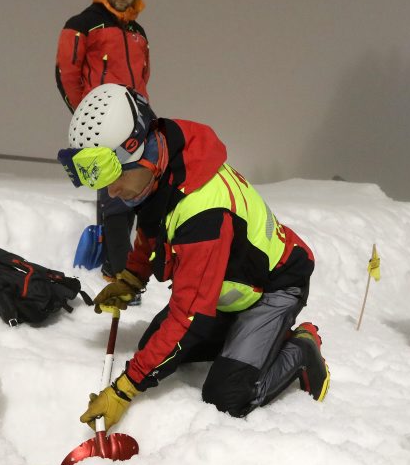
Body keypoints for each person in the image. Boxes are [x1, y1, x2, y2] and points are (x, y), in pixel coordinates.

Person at [57, 84, 330, 428]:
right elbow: (152, 230)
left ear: (140, 151)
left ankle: (301, 348)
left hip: (273, 288)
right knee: (154, 346)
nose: (110, 191)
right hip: (227, 289)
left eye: (115, 177)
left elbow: (188, 318)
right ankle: (248, 342)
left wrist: (124, 390)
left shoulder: (204, 213)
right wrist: (131, 277)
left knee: (227, 395)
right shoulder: (163, 169)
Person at [55, 0, 151, 280]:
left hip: (136, 122)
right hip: (105, 125)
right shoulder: (83, 24)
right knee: (113, 195)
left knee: (140, 190)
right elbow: (66, 73)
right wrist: (88, 116)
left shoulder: (138, 32)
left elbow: (142, 78)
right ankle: (117, 272)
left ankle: (129, 265)